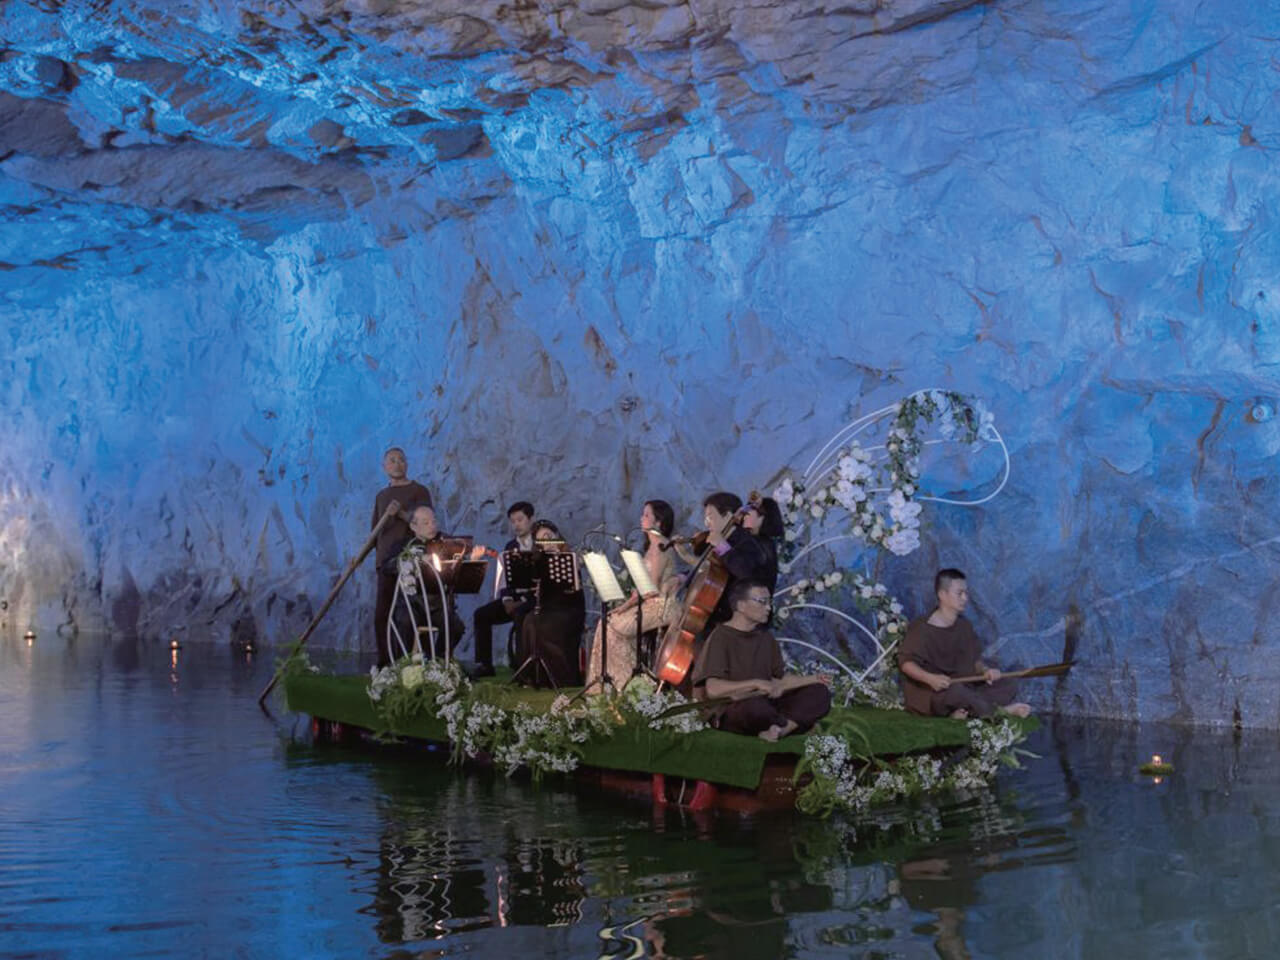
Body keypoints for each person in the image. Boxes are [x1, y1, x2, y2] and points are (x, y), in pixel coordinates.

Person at [691, 579, 831, 741]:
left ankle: (779, 730)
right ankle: (786, 725)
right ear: (741, 606)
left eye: (769, 602)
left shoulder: (766, 638)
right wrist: (755, 683)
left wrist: (813, 679)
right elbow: (713, 690)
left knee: (819, 693)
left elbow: (779, 681)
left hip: (767, 704)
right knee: (755, 708)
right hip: (735, 707)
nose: (768, 608)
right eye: (762, 602)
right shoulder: (721, 637)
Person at [898, 568, 1032, 719]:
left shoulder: (964, 626)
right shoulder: (921, 627)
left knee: (1008, 683)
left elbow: (975, 661)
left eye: (966, 593)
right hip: (934, 693)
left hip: (966, 688)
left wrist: (985, 671)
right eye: (959, 593)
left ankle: (962, 712)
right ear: (942, 595)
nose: (965, 598)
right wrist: (930, 678)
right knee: (956, 692)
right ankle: (1000, 712)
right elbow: (906, 664)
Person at [584, 499, 682, 689]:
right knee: (605, 622)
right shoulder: (651, 547)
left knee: (613, 628)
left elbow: (650, 588)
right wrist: (623, 606)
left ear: (659, 522)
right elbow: (641, 588)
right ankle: (607, 685)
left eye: (647, 515)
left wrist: (625, 607)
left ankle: (627, 684)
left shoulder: (661, 546)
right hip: (648, 603)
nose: (641, 518)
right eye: (642, 514)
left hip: (662, 605)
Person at [380, 504, 469, 666]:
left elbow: (459, 564)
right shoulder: (403, 545)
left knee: (455, 626)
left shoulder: (445, 543)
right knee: (405, 623)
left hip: (437, 603)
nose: (432, 526)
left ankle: (440, 661)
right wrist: (414, 560)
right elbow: (387, 566)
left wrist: (466, 559)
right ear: (413, 526)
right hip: (412, 604)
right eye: (426, 523)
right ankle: (404, 666)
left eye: (434, 522)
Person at [372, 447, 433, 657]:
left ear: (407, 464)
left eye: (401, 460)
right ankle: (385, 662)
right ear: (384, 467)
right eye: (392, 460)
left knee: (410, 613)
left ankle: (415, 660)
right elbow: (375, 533)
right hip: (385, 563)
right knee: (383, 614)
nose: (397, 464)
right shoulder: (381, 496)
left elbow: (426, 525)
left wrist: (401, 514)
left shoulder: (419, 491)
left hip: (411, 559)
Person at [514, 520, 586, 687]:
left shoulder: (570, 555)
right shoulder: (539, 560)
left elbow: (573, 587)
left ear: (556, 535)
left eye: (548, 536)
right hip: (549, 608)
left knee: (546, 625)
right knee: (529, 620)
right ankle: (535, 676)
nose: (546, 542)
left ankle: (561, 678)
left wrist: (561, 555)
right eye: (541, 540)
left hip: (569, 609)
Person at [471, 501, 537, 676]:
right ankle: (484, 665)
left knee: (521, 613)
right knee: (482, 615)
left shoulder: (540, 545)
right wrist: (507, 600)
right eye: (513, 521)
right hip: (513, 599)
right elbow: (505, 579)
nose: (516, 525)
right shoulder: (510, 547)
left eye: (520, 520)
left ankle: (523, 667)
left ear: (531, 520)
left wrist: (521, 601)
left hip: (534, 599)